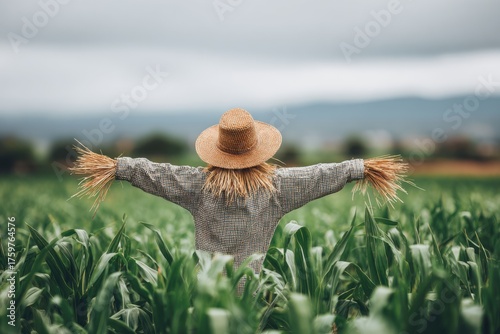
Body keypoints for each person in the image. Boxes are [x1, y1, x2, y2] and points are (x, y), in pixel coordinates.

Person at [70, 108, 408, 285]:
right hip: (252, 294)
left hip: (206, 296)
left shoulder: (197, 186)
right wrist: (358, 167)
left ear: (218, 148)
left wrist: (119, 166)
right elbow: (319, 174)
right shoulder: (275, 188)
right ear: (256, 149)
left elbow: (156, 173)